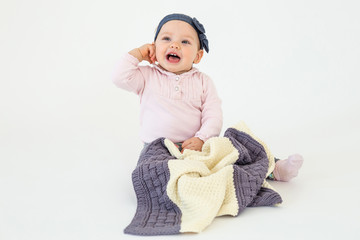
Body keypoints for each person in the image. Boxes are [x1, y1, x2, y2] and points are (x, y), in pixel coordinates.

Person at [112, 13, 303, 181]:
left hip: (198, 145)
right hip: (157, 149)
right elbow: (119, 77)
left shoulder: (203, 81)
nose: (174, 44)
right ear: (153, 47)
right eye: (166, 38)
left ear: (198, 56)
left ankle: (273, 169)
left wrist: (202, 138)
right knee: (151, 171)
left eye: (185, 42)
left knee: (233, 147)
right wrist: (138, 53)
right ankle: (183, 188)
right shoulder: (147, 76)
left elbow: (213, 116)